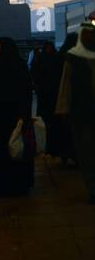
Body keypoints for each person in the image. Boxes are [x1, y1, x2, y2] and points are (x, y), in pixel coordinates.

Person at [0, 37, 33, 196]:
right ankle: (21, 184)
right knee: (18, 146)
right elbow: (26, 90)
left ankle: (3, 185)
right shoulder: (20, 65)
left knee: (2, 148)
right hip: (16, 113)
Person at [55, 18, 95, 204]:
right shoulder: (73, 58)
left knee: (86, 151)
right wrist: (63, 108)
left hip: (82, 111)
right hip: (82, 111)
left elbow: (66, 85)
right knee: (86, 152)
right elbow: (66, 85)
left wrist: (63, 109)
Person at [49, 33, 80, 163]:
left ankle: (64, 153)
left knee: (65, 129)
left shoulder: (59, 56)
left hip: (60, 97)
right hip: (76, 100)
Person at [31, 42, 62, 156]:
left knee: (46, 120)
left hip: (46, 95)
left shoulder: (41, 59)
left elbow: (34, 72)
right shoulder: (56, 58)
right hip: (51, 95)